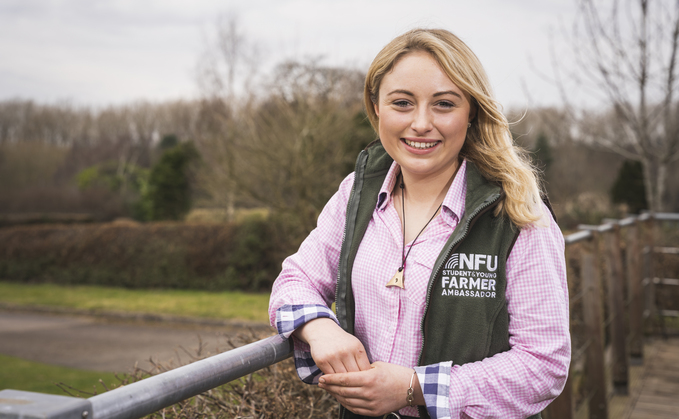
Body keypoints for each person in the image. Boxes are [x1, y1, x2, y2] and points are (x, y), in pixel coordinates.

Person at [268, 28, 570, 419]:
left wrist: (415, 389)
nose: (421, 123)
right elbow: (295, 279)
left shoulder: (518, 214)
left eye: (444, 104)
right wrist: (319, 327)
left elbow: (543, 365)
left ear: (472, 111)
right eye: (402, 103)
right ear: (377, 107)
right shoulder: (355, 193)